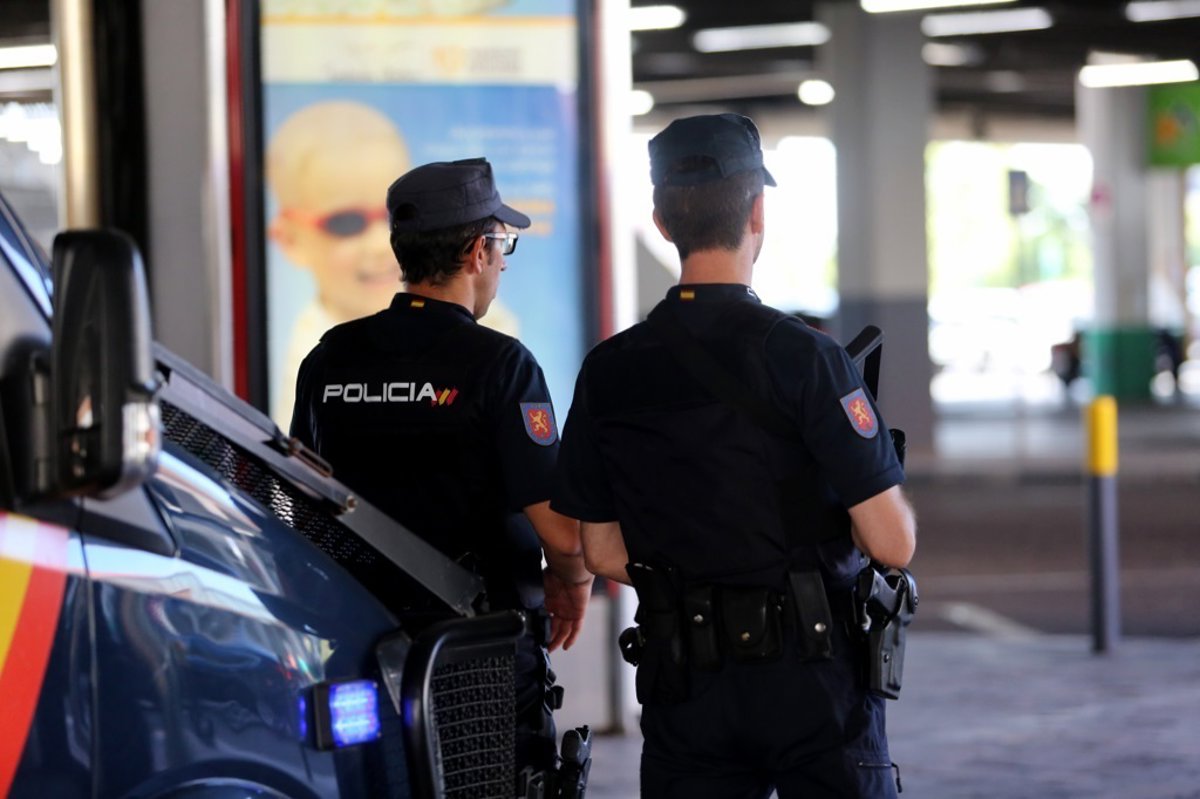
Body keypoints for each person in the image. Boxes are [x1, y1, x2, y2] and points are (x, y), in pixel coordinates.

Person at [551, 114, 917, 798]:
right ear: (757, 213)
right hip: (812, 680)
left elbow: (599, 552)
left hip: (684, 679)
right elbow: (892, 543)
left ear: (662, 222)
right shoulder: (807, 357)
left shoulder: (609, 369)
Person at [289, 157, 593, 786]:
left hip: (359, 650)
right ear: (478, 251)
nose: (504, 263)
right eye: (503, 245)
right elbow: (563, 536)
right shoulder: (501, 365)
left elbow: (303, 504)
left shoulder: (328, 359)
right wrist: (573, 581)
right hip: (476, 658)